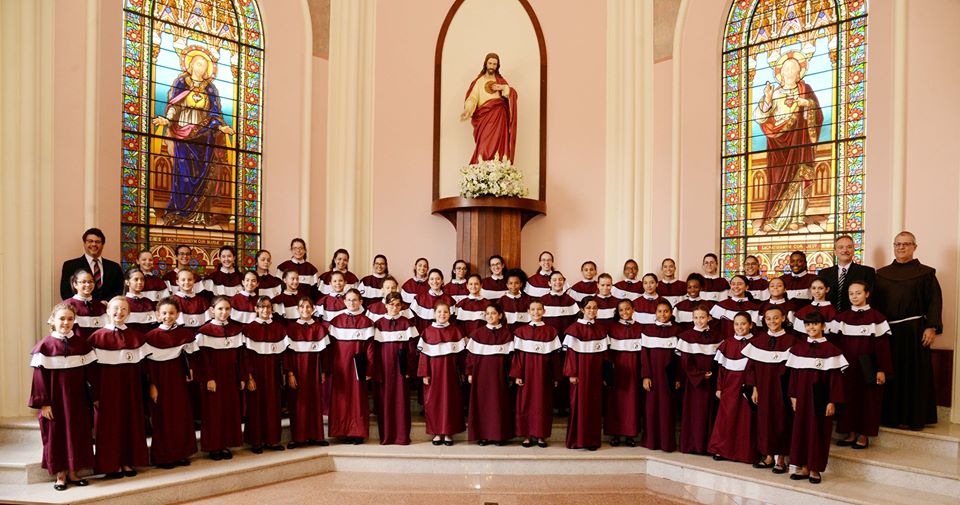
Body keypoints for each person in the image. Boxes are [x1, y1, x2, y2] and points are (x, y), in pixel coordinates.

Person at [151, 47, 235, 226]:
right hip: (183, 132)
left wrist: (222, 127)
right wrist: (167, 119)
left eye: (204, 65)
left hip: (204, 137)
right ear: (190, 64)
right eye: (198, 64)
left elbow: (214, 112)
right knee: (183, 173)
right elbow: (174, 104)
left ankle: (200, 216)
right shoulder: (182, 82)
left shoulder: (210, 88)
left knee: (203, 174)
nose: (201, 68)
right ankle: (179, 211)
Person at [874, 231, 943, 430]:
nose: (901, 247)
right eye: (897, 244)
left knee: (915, 375)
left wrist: (932, 327)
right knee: (891, 373)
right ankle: (890, 417)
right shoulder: (881, 274)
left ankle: (915, 418)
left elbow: (934, 302)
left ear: (914, 247)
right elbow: (875, 305)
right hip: (888, 333)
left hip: (915, 331)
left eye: (906, 244)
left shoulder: (926, 273)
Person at [754, 51, 823, 233]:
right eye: (787, 69)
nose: (790, 72)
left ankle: (796, 217)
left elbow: (817, 113)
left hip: (799, 140)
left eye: (794, 69)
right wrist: (767, 100)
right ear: (781, 73)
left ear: (799, 72)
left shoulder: (805, 90)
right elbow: (761, 118)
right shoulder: (774, 93)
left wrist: (805, 103)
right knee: (777, 180)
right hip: (777, 142)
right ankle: (774, 219)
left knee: (797, 177)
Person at [29, 303, 95, 491]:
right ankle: (60, 475)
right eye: (62, 319)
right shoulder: (44, 346)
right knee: (57, 435)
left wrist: (93, 397)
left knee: (77, 433)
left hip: (77, 399)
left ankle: (74, 472)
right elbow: (38, 379)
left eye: (70, 319)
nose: (66, 322)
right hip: (55, 399)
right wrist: (44, 403)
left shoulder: (81, 344)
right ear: (53, 320)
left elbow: (90, 374)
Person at [88, 296, 150, 478]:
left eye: (124, 309)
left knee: (130, 423)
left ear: (129, 313)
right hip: (107, 390)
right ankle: (110, 465)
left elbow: (144, 369)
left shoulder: (137, 337)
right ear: (107, 311)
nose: (119, 312)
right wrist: (95, 395)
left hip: (131, 389)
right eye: (115, 308)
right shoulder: (96, 338)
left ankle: (127, 461)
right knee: (109, 427)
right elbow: (91, 372)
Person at [787, 312, 848, 484]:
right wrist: (793, 396)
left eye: (815, 324)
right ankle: (804, 467)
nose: (811, 327)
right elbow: (793, 376)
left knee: (818, 431)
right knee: (801, 430)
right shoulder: (798, 349)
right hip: (802, 395)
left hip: (822, 396)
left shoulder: (832, 350)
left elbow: (836, 379)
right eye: (808, 324)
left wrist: (832, 401)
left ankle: (815, 468)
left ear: (823, 326)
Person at [833, 281, 892, 449]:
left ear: (867, 294)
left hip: (868, 367)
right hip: (847, 366)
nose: (854, 296)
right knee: (848, 398)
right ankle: (850, 433)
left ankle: (864, 435)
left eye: (858, 293)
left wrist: (881, 370)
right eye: (851, 293)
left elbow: (883, 348)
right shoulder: (842, 317)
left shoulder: (877, 318)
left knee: (868, 401)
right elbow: (835, 344)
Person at [143, 297, 198, 468]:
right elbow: (147, 366)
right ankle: (163, 457)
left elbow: (190, 355)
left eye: (172, 313)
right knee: (163, 418)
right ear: (158, 315)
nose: (168, 316)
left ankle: (181, 453)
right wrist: (152, 385)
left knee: (180, 416)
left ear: (178, 314)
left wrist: (189, 370)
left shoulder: (184, 334)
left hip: (177, 379)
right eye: (164, 313)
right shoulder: (150, 337)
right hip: (159, 380)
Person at [742, 306, 797, 474]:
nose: (772, 321)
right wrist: (754, 388)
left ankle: (781, 459)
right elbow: (751, 368)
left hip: (782, 390)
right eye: (768, 318)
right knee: (764, 422)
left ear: (783, 318)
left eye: (776, 318)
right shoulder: (758, 341)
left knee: (782, 421)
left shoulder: (792, 341)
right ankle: (768, 456)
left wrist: (793, 393)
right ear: (764, 321)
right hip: (763, 389)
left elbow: (795, 371)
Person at [195, 296, 245, 460]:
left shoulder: (235, 330)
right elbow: (202, 359)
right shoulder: (204, 332)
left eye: (227, 309)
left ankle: (225, 444)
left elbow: (240, 356)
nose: (224, 312)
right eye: (220, 309)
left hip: (230, 376)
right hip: (213, 377)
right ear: (212, 310)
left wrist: (241, 377)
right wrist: (209, 378)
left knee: (229, 410)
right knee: (213, 412)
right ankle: (214, 446)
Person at [326, 289, 376, 444]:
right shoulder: (336, 321)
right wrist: (330, 367)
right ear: (344, 302)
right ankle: (344, 432)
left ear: (361, 301)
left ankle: (358, 433)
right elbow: (330, 347)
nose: (352, 303)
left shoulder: (367, 322)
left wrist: (369, 369)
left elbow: (370, 348)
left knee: (358, 399)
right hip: (340, 366)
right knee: (342, 399)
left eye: (355, 300)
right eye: (349, 300)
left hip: (358, 365)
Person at [708, 312, 759, 464]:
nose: (740, 327)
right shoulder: (727, 343)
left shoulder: (757, 343)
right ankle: (721, 450)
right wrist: (719, 388)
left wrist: (755, 388)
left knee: (746, 419)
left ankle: (745, 453)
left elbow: (758, 370)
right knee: (726, 418)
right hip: (729, 386)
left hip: (747, 386)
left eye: (743, 323)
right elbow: (721, 369)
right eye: (736, 324)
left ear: (750, 325)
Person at [510, 300, 562, 448]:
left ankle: (541, 436)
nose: (536, 312)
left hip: (544, 375)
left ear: (544, 311)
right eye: (533, 309)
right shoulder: (521, 331)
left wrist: (556, 376)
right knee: (525, 403)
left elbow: (555, 357)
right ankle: (527, 436)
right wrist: (518, 374)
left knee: (542, 404)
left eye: (539, 309)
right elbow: (517, 356)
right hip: (526, 375)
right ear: (528, 311)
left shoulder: (551, 331)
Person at [418, 301, 467, 446]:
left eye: (445, 312)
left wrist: (463, 372)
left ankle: (449, 433)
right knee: (434, 402)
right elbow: (423, 356)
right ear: (434, 313)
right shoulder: (427, 331)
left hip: (451, 374)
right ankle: (437, 433)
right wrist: (425, 374)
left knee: (450, 402)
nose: (442, 314)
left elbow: (461, 356)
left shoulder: (456, 331)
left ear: (450, 314)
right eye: (439, 312)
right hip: (434, 374)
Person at [284, 297, 331, 448]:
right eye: (302, 307)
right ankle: (298, 438)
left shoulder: (320, 328)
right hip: (297, 370)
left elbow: (325, 353)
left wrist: (323, 371)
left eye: (308, 307)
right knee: (298, 403)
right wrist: (290, 373)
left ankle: (316, 436)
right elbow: (287, 354)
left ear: (313, 309)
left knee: (315, 401)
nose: (305, 310)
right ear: (297, 309)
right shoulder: (290, 329)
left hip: (314, 369)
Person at [372, 293, 419, 445]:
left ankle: (402, 436)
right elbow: (374, 350)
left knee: (401, 402)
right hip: (384, 368)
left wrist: (409, 369)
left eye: (398, 305)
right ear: (385, 305)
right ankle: (387, 436)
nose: (394, 307)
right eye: (391, 304)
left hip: (401, 369)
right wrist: (376, 371)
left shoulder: (407, 323)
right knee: (385, 401)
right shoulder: (378, 324)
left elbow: (412, 349)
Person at [466, 304, 515, 446]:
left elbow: (511, 359)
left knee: (499, 404)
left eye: (493, 313)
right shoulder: (477, 334)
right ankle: (483, 435)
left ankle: (499, 436)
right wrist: (469, 372)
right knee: (482, 404)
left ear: (500, 315)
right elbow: (470, 357)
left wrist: (511, 375)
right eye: (487, 313)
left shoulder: (507, 334)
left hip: (500, 376)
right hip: (481, 375)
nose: (490, 316)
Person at [243, 297, 288, 454]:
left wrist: (284, 373)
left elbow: (284, 355)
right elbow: (245, 356)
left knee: (273, 406)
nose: (265, 310)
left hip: (273, 374)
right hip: (256, 373)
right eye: (262, 307)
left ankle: (272, 440)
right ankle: (256, 441)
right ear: (256, 309)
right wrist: (249, 377)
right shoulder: (249, 329)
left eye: (268, 307)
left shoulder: (279, 328)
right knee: (256, 406)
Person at [562, 298, 608, 451]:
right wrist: (572, 374)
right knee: (578, 406)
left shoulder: (601, 329)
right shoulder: (574, 329)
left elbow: (604, 356)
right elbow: (570, 355)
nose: (592, 310)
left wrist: (604, 375)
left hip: (595, 374)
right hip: (580, 374)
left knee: (594, 407)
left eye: (595, 308)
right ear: (582, 310)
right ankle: (577, 440)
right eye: (588, 308)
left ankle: (592, 441)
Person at [677, 305, 723, 455]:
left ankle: (707, 446)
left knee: (709, 413)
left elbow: (719, 360)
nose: (699, 320)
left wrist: (711, 374)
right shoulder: (686, 336)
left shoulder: (717, 336)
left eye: (702, 317)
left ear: (709, 318)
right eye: (696, 317)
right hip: (693, 383)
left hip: (711, 381)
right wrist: (700, 374)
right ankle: (693, 445)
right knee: (694, 413)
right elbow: (685, 362)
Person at [460, 52, 517, 165]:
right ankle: (481, 169)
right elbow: (473, 98)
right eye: (490, 63)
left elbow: (512, 95)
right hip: (484, 118)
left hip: (499, 117)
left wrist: (503, 88)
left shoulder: (500, 81)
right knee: (483, 145)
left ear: (497, 66)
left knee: (499, 144)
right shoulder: (479, 81)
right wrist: (468, 109)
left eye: (494, 64)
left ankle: (498, 168)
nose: (492, 66)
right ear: (485, 64)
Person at [640, 300, 681, 452]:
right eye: (659, 311)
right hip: (653, 376)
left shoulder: (677, 331)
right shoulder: (647, 330)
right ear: (655, 313)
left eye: (666, 311)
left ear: (671, 313)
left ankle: (666, 443)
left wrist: (677, 377)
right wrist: (646, 376)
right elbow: (644, 356)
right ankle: (651, 442)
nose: (663, 314)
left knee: (667, 409)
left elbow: (679, 358)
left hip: (668, 377)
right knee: (651, 409)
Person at [604, 299, 643, 447]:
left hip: (634, 370)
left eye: (627, 309)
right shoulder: (612, 328)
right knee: (616, 402)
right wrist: (609, 373)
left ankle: (630, 435)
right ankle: (615, 434)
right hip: (617, 370)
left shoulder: (640, 328)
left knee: (632, 403)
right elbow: (607, 354)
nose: (625, 312)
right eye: (621, 310)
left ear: (633, 309)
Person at [59, 227, 123, 302]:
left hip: (108, 307)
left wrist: (105, 303)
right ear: (84, 243)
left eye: (97, 242)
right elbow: (65, 292)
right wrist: (82, 305)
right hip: (80, 308)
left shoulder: (115, 267)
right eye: (90, 241)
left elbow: (119, 290)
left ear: (102, 245)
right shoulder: (70, 266)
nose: (94, 244)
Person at [817, 235, 875, 312]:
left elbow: (871, 299)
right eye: (841, 247)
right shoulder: (824, 273)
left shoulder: (867, 272)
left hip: (856, 315)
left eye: (849, 247)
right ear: (835, 252)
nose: (845, 250)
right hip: (828, 315)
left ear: (853, 250)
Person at [62, 270, 107, 341]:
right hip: (76, 345)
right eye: (83, 282)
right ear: (75, 284)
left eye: (91, 281)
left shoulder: (101, 306)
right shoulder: (66, 305)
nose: (88, 285)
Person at [410, 269, 456, 333]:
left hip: (445, 335)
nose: (435, 281)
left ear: (442, 281)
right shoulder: (419, 299)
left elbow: (453, 323)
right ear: (428, 281)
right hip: (423, 336)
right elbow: (413, 322)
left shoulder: (449, 300)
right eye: (432, 279)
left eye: (438, 279)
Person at [124, 268, 159, 334]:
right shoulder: (122, 302)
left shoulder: (149, 303)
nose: (140, 282)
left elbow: (154, 325)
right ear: (127, 282)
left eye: (142, 279)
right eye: (136, 279)